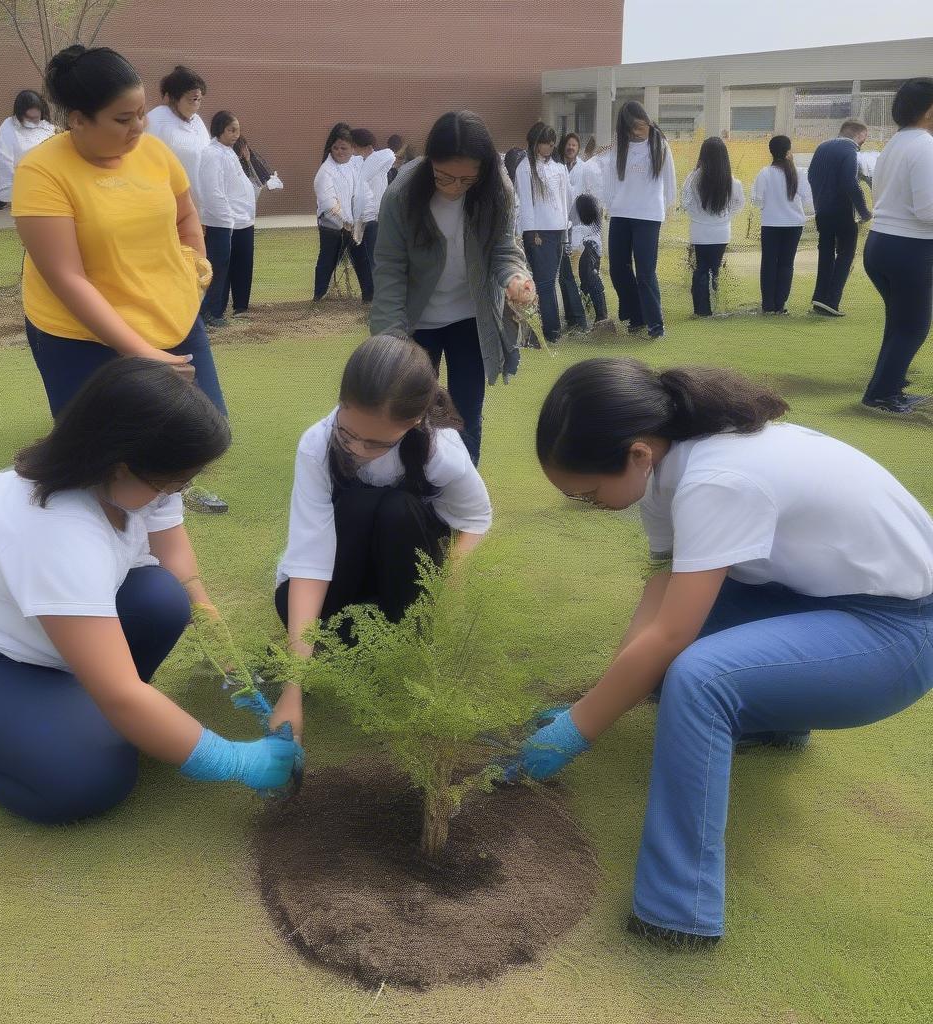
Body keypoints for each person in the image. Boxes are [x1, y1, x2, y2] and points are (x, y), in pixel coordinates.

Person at [501, 356, 933, 946]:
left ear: (634, 454)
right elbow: (662, 593)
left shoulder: (716, 479)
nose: (588, 506)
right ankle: (775, 722)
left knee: (700, 677)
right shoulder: (664, 464)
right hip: (820, 601)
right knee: (661, 660)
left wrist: (579, 729)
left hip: (899, 635)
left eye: (586, 494)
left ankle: (679, 908)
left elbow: (674, 636)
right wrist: (606, 695)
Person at [0, 359, 302, 824]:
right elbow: (119, 693)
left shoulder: (134, 476)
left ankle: (53, 714)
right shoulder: (56, 529)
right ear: (119, 465)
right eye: (173, 483)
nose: (176, 492)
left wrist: (217, 634)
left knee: (160, 596)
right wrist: (234, 761)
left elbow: (176, 566)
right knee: (90, 776)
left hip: (14, 630)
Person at [12, 45, 229, 514]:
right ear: (78, 119)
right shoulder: (40, 171)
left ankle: (161, 520)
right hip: (82, 335)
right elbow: (67, 278)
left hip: (171, 319)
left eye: (141, 114)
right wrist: (142, 354)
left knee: (201, 431)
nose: (139, 127)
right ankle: (105, 548)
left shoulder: (152, 152)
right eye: (123, 119)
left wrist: (194, 274)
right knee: (99, 463)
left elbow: (187, 217)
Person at [270, 335, 493, 743]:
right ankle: (338, 647)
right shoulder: (317, 445)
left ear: (413, 423)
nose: (354, 449)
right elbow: (310, 559)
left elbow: (476, 519)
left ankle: (402, 644)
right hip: (339, 582)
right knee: (354, 509)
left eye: (374, 443)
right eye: (348, 432)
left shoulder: (440, 451)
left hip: (399, 582)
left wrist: (450, 590)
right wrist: (293, 684)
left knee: (395, 508)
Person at [370, 109, 535, 464]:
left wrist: (516, 279)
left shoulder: (496, 189)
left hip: (470, 320)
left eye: (466, 180)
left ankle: (463, 505)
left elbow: (504, 248)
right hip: (414, 325)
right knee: (410, 415)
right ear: (430, 160)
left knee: (465, 418)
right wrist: (391, 339)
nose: (455, 187)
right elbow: (389, 269)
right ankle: (415, 494)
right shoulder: (402, 193)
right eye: (444, 177)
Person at [860, 78, 933, 415]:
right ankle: (882, 394)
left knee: (900, 322)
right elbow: (927, 210)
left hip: (882, 243)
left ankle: (886, 387)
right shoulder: (924, 146)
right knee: (914, 324)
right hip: (910, 248)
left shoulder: (895, 143)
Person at [599, 101, 677, 339]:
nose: (637, 131)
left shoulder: (660, 145)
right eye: (631, 128)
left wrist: (664, 209)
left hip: (648, 216)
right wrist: (610, 207)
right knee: (618, 269)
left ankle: (656, 324)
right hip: (621, 215)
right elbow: (610, 183)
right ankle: (636, 316)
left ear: (647, 120)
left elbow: (670, 182)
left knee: (645, 272)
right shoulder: (618, 149)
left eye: (640, 126)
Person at [515, 121, 587, 342]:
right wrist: (531, 231)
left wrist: (566, 228)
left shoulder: (558, 167)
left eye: (550, 142)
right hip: (538, 232)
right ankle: (550, 331)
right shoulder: (525, 167)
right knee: (545, 282)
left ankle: (554, 328)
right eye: (544, 143)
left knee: (553, 280)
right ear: (535, 143)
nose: (548, 147)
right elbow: (525, 202)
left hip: (557, 229)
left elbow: (567, 198)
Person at [198, 110, 261, 326]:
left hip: (238, 220)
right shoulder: (212, 154)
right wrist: (227, 220)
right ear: (219, 130)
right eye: (231, 130)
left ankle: (219, 311)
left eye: (238, 130)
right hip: (222, 222)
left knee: (231, 265)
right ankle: (209, 312)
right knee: (218, 267)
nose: (236, 134)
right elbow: (213, 191)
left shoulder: (228, 152)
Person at [807, 118, 871, 317]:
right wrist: (864, 211)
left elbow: (811, 175)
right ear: (859, 135)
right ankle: (832, 301)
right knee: (845, 253)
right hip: (843, 212)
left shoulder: (822, 147)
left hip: (822, 211)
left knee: (825, 253)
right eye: (864, 138)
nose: (864, 142)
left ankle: (819, 297)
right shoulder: (849, 151)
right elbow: (849, 182)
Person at [681, 136, 745, 317]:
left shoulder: (693, 178)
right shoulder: (733, 181)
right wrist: (724, 218)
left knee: (701, 268)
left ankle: (702, 310)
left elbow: (685, 202)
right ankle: (718, 306)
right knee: (716, 268)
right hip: (722, 233)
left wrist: (699, 217)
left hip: (700, 232)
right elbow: (739, 204)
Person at [751, 136, 814, 315]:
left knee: (769, 263)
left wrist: (770, 206)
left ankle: (768, 305)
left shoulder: (764, 173)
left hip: (771, 224)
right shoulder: (799, 172)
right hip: (794, 224)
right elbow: (809, 200)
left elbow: (757, 201)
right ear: (788, 151)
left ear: (771, 151)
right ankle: (780, 304)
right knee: (787, 264)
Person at [313, 123, 372, 303]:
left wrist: (361, 218)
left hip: (353, 225)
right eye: (336, 147)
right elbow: (328, 202)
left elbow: (363, 192)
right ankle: (319, 297)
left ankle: (370, 297)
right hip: (332, 227)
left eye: (344, 148)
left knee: (363, 261)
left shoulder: (354, 166)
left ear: (352, 148)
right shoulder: (325, 172)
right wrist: (345, 222)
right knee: (327, 262)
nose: (339, 151)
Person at [144, 66, 210, 211]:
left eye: (199, 99)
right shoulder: (156, 120)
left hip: (203, 208)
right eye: (193, 99)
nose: (197, 104)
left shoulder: (197, 121)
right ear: (173, 98)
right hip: (171, 206)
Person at [0, 90, 56, 204]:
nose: (33, 122)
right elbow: (6, 163)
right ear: (20, 115)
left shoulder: (45, 127)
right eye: (29, 118)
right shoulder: (8, 129)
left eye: (36, 118)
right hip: (24, 189)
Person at [350, 127, 395, 272]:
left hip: (375, 219)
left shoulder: (378, 161)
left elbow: (389, 155)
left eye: (354, 146)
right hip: (364, 219)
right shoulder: (359, 163)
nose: (353, 150)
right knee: (365, 260)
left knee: (375, 260)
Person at [573, 193, 609, 326]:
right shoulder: (595, 228)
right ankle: (600, 315)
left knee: (591, 282)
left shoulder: (580, 231)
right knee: (591, 283)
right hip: (592, 252)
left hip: (587, 255)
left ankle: (601, 316)